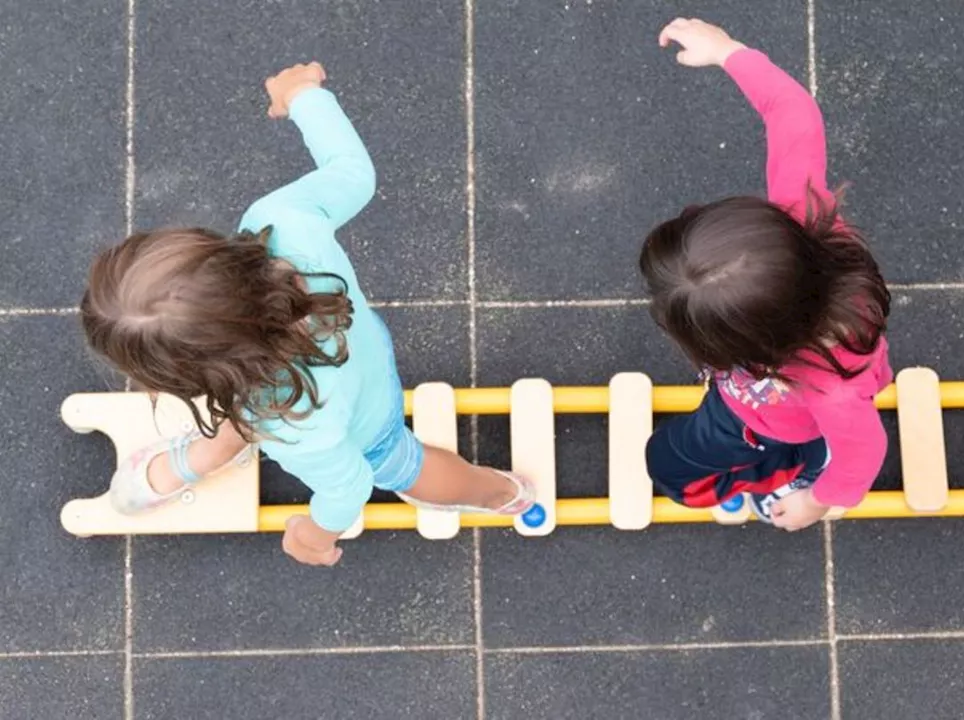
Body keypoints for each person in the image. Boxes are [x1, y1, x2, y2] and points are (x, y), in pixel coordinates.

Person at [80, 62, 532, 566]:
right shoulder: (279, 223)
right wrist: (304, 96)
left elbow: (350, 486)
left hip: (358, 419)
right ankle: (210, 451)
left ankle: (498, 492)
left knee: (398, 464)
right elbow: (352, 173)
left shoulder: (288, 420)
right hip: (355, 347)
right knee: (257, 414)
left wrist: (315, 536)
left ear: (187, 378)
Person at [640, 18, 892, 531]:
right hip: (762, 395)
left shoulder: (829, 391)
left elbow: (864, 454)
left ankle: (794, 469)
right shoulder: (799, 213)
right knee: (671, 452)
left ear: (749, 347)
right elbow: (792, 112)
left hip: (770, 425)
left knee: (667, 466)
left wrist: (816, 502)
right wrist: (730, 51)